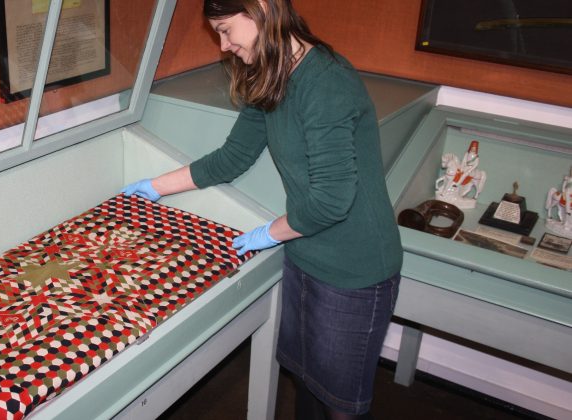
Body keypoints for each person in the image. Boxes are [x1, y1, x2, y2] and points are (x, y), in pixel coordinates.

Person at [122, 1, 402, 418]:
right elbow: (231, 158)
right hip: (304, 254)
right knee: (306, 386)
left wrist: (268, 233)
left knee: (341, 407)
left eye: (225, 29)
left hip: (354, 270)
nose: (223, 45)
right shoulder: (271, 75)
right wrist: (154, 188)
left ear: (261, 9)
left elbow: (332, 201)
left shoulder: (326, 82)